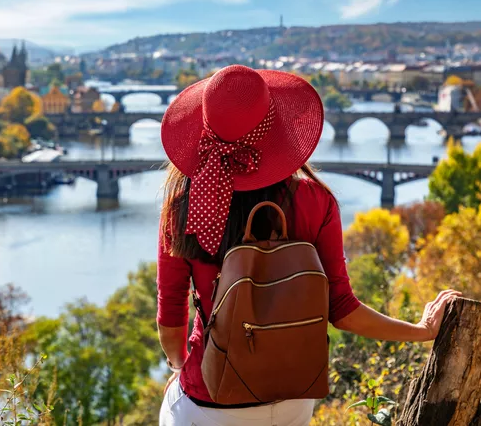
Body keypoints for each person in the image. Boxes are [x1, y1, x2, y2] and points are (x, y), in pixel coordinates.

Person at [156, 65, 460, 426]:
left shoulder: (185, 206)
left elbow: (171, 317)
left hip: (208, 400)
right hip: (292, 398)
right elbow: (343, 309)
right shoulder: (315, 201)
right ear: (277, 132)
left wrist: (180, 367)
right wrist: (420, 331)